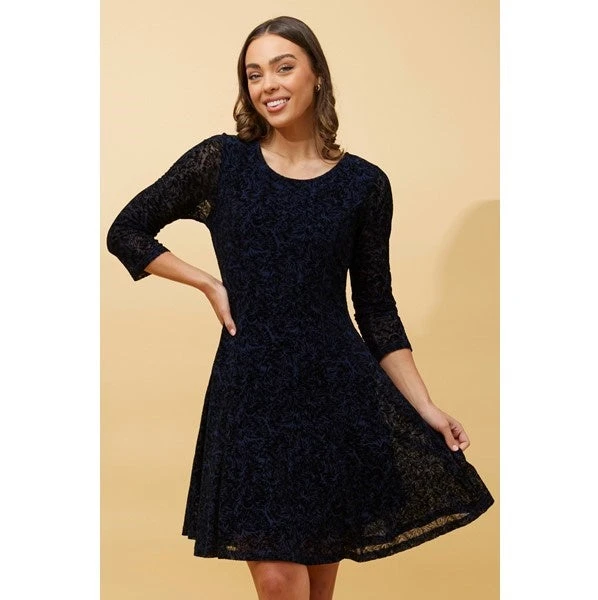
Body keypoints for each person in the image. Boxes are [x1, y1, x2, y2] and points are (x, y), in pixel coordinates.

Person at [106, 15, 494, 600]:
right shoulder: (222, 162)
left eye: (283, 67)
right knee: (279, 584)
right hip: (253, 394)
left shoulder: (363, 185)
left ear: (317, 76)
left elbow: (377, 312)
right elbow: (127, 231)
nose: (269, 84)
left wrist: (427, 407)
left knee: (315, 589)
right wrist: (209, 283)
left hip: (334, 396)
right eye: (254, 73)